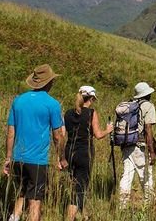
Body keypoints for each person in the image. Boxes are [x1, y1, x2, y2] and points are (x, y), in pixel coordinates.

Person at [3, 64, 66, 221]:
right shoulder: (52, 104)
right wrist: (61, 157)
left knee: (22, 193)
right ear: (49, 82)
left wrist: (8, 158)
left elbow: (11, 133)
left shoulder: (18, 101)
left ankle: (13, 218)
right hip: (37, 161)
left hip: (18, 158)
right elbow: (58, 136)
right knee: (35, 202)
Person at [64, 85, 114, 221]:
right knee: (80, 187)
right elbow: (98, 134)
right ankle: (70, 217)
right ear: (91, 98)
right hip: (84, 153)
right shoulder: (91, 113)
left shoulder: (68, 113)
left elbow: (64, 133)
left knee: (75, 183)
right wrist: (108, 130)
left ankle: (85, 215)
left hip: (68, 152)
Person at [118, 82, 156, 210]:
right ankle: (148, 206)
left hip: (126, 144)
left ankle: (122, 207)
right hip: (139, 147)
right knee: (145, 176)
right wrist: (151, 151)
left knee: (127, 175)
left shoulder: (130, 105)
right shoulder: (148, 106)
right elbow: (148, 129)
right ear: (147, 94)